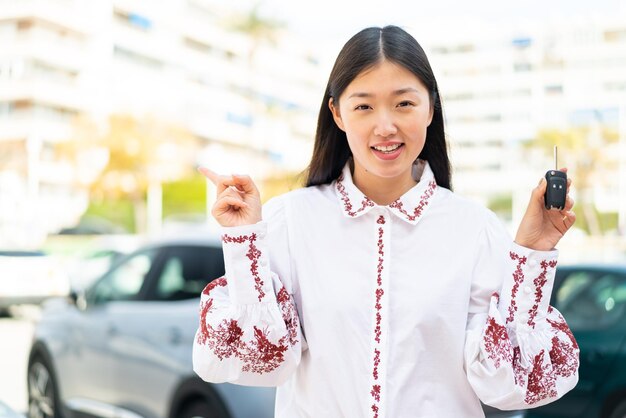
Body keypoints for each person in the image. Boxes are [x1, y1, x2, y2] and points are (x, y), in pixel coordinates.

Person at [193, 25, 579, 417]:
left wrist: (533, 253)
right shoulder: (290, 220)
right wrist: (245, 242)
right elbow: (259, 361)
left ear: (431, 108)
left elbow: (509, 383)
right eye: (363, 106)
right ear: (337, 113)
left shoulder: (474, 228)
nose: (385, 126)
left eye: (404, 104)